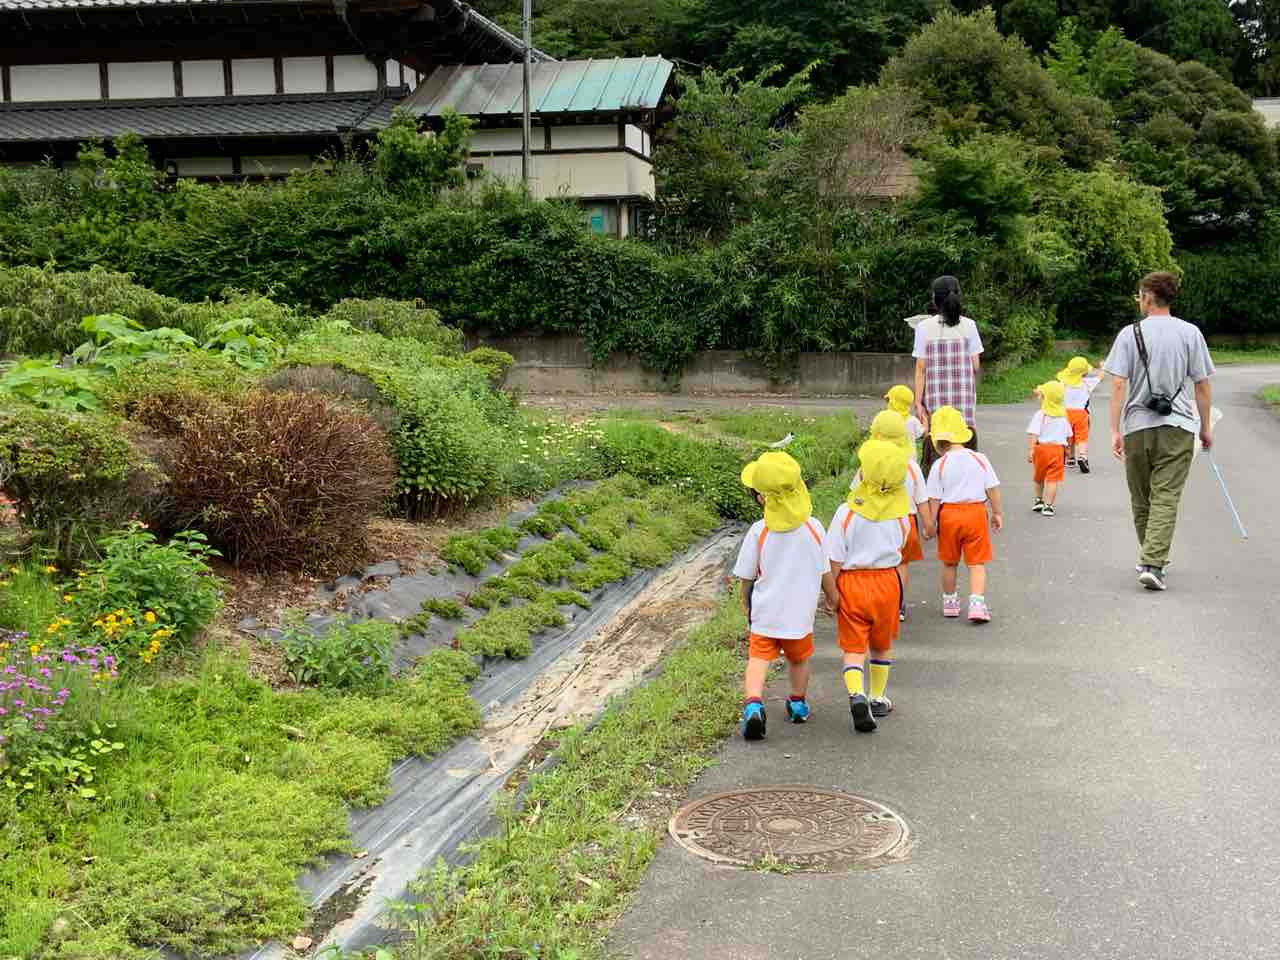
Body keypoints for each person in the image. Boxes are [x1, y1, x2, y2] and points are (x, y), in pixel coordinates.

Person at [1103, 271, 1214, 592]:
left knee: (1141, 497)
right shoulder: (1190, 333)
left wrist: (1114, 430)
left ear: (1149, 297)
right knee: (1165, 495)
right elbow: (1202, 386)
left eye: (1139, 295)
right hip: (1178, 427)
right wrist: (1205, 428)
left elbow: (1118, 384)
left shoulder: (1129, 334)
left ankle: (1151, 559)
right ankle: (1153, 562)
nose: (1138, 301)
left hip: (1137, 427)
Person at [733, 451, 838, 741]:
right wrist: (833, 598)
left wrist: (745, 603)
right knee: (799, 660)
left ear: (761, 498)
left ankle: (754, 705)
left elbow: (747, 577)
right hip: (799, 616)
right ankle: (798, 703)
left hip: (765, 613)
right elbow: (825, 571)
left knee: (758, 658)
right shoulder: (814, 528)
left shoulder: (759, 532)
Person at [825, 438, 911, 734]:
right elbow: (901, 546)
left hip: (852, 583)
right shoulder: (901, 516)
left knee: (853, 648)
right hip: (887, 583)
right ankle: (877, 697)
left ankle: (856, 693)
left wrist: (831, 594)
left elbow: (833, 558)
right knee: (881, 645)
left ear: (863, 473)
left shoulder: (846, 513)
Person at [849, 410, 933, 620]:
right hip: (906, 520)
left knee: (877, 563)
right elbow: (922, 499)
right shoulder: (911, 466)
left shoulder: (867, 465)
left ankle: (873, 603)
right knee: (901, 564)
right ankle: (899, 605)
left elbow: (855, 494)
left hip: (872, 518)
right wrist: (928, 525)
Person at [925, 406, 1003, 623]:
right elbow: (993, 489)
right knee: (976, 562)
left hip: (948, 515)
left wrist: (931, 523)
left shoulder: (939, 465)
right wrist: (997, 512)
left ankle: (949, 602)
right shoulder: (980, 459)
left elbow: (934, 498)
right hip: (975, 513)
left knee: (949, 562)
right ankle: (977, 603)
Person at [912, 276, 985, 475]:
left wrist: (918, 402)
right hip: (964, 402)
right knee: (964, 445)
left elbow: (920, 369)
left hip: (935, 402)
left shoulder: (924, 327)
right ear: (958, 296)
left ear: (935, 299)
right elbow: (976, 366)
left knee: (938, 449)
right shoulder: (969, 325)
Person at [1027, 380, 1070, 517]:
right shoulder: (1063, 416)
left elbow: (1034, 433)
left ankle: (1039, 500)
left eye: (1041, 395)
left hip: (1041, 449)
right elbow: (1068, 436)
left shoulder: (1040, 415)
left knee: (1039, 477)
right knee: (1053, 480)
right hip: (1057, 451)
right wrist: (1068, 451)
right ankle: (1048, 506)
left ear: (1045, 398)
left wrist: (1031, 449)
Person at [1058, 356, 1103, 472]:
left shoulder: (1063, 383)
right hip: (1081, 414)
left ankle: (1070, 458)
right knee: (1081, 438)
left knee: (1069, 436)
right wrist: (1102, 367)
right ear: (1084, 373)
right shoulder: (1087, 383)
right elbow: (1100, 377)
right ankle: (1082, 457)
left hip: (1066, 414)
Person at [884, 384, 926, 454]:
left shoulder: (885, 419)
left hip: (891, 458)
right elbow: (921, 432)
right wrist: (925, 422)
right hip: (910, 458)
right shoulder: (912, 421)